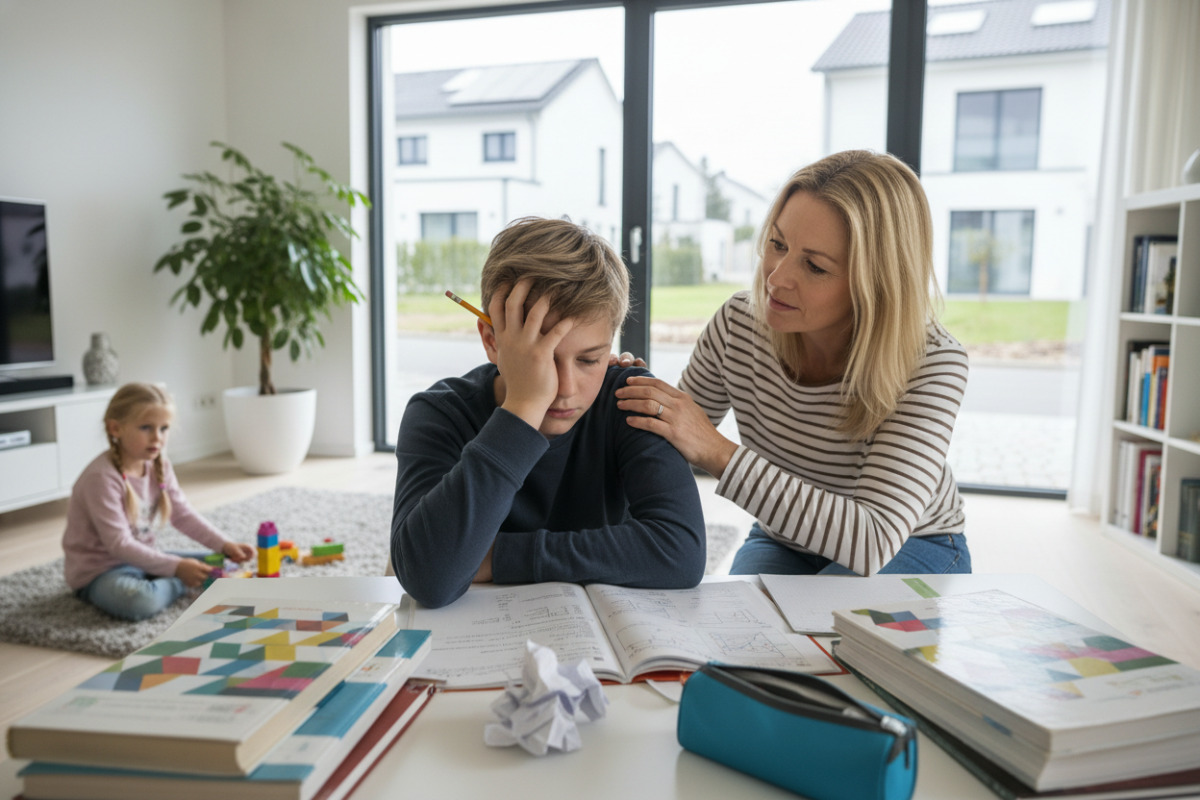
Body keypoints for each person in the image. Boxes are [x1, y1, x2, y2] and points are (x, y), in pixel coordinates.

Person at [615, 149, 971, 576]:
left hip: (914, 543)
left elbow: (873, 539)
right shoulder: (738, 324)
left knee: (824, 640)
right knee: (741, 634)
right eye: (777, 243)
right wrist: (616, 396)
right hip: (785, 536)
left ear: (876, 282)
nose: (776, 278)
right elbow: (672, 441)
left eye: (815, 266)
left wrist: (717, 451)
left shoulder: (934, 361)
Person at [391, 216, 706, 609]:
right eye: (541, 359)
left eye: (589, 360)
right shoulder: (438, 413)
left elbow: (681, 553)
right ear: (492, 340)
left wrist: (498, 557)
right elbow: (430, 579)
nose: (566, 389)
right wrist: (522, 408)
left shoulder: (630, 398)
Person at [63, 383, 255, 620]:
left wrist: (224, 545)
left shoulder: (159, 465)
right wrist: (177, 569)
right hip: (101, 572)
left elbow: (183, 514)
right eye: (146, 428)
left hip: (143, 557)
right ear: (115, 428)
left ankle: (179, 574)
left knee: (224, 562)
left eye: (164, 428)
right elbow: (119, 544)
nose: (157, 438)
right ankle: (179, 584)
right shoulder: (100, 478)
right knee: (139, 601)